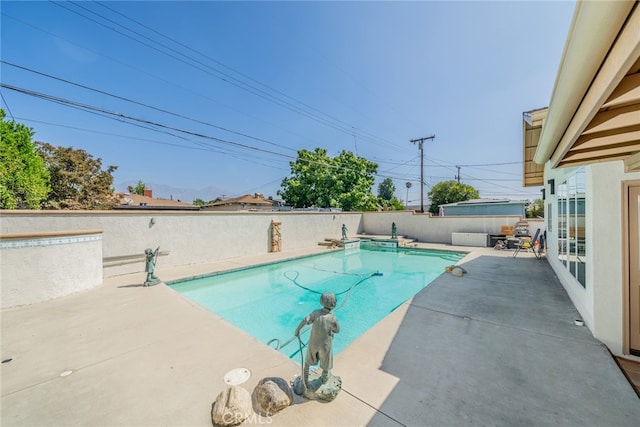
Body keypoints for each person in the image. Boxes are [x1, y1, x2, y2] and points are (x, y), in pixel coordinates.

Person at [294, 292, 340, 386]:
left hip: (313, 344)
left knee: (307, 361)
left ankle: (305, 379)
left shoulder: (316, 313)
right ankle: (324, 379)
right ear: (333, 303)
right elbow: (337, 330)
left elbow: (304, 320)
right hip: (325, 345)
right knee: (325, 364)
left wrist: (297, 330)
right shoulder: (333, 318)